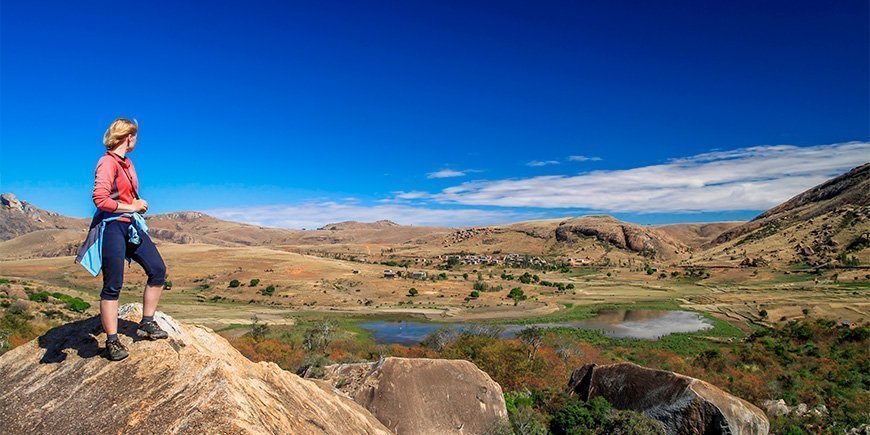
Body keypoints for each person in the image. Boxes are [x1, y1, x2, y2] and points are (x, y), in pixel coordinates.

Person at [88, 118, 169, 361]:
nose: (136, 141)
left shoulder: (128, 164)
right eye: (135, 136)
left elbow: (126, 197)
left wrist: (137, 205)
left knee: (157, 269)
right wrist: (131, 206)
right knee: (113, 285)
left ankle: (147, 322)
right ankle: (112, 340)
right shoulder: (106, 162)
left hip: (131, 226)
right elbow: (100, 200)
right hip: (112, 227)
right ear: (128, 137)